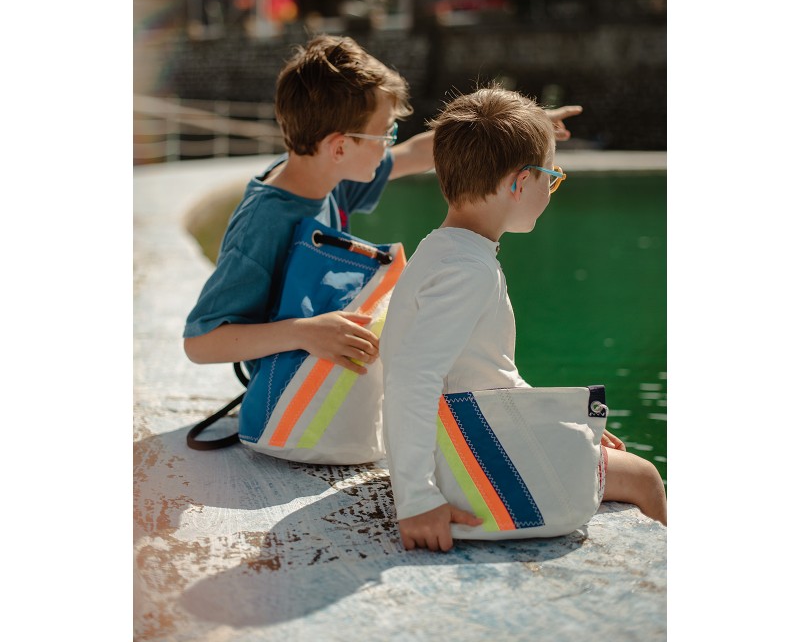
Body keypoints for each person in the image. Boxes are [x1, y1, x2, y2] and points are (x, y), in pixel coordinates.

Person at [183, 36, 583, 405]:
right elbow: (200, 342)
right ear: (340, 147)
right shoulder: (264, 222)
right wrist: (303, 332)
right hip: (291, 398)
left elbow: (414, 155)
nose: (391, 144)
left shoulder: (329, 177)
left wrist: (520, 129)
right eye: (384, 135)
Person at [380, 85, 667, 553]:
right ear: (519, 182)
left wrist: (561, 421)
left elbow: (479, 372)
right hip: (469, 466)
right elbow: (414, 378)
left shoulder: (441, 250)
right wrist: (416, 499)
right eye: (550, 178)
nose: (550, 189)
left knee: (594, 442)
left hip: (457, 444)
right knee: (645, 478)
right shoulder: (469, 273)